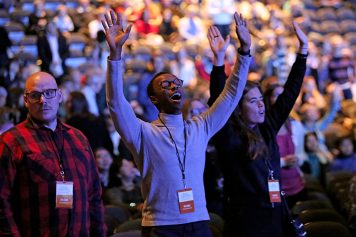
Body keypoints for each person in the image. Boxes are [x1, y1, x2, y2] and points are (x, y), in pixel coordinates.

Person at [102, 10, 251, 237]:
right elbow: (115, 103)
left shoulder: (199, 127)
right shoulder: (142, 132)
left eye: (176, 83)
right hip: (161, 227)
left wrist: (244, 53)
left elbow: (230, 97)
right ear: (153, 99)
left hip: (199, 221)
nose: (174, 87)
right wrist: (115, 56)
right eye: (165, 86)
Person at [208, 20, 308, 237]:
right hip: (247, 223)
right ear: (237, 108)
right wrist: (218, 62)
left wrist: (303, 53)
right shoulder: (228, 136)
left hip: (276, 215)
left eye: (261, 99)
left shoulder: (267, 128)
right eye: (253, 101)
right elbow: (218, 100)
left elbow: (289, 94)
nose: (261, 104)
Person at [0, 72, 106, 236]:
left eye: (49, 93)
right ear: (26, 101)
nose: (43, 100)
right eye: (35, 95)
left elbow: (94, 195)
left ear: (60, 96)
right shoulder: (11, 141)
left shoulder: (78, 138)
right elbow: (2, 201)